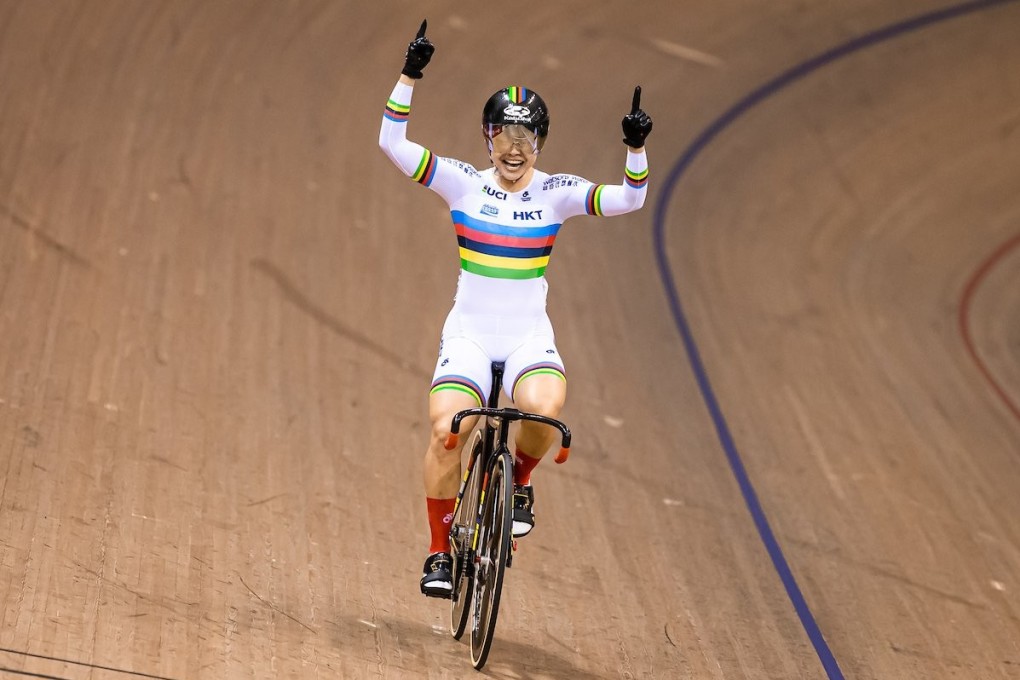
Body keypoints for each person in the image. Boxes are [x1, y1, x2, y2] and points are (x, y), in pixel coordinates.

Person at [379, 20, 653, 598]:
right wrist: (409, 75)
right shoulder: (462, 184)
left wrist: (635, 148)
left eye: (525, 140)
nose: (513, 149)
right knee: (448, 432)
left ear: (541, 144)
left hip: (528, 338)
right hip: (472, 338)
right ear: (486, 137)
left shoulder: (556, 192)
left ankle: (520, 480)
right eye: (503, 136)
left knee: (545, 412)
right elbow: (393, 145)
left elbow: (630, 198)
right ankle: (438, 553)